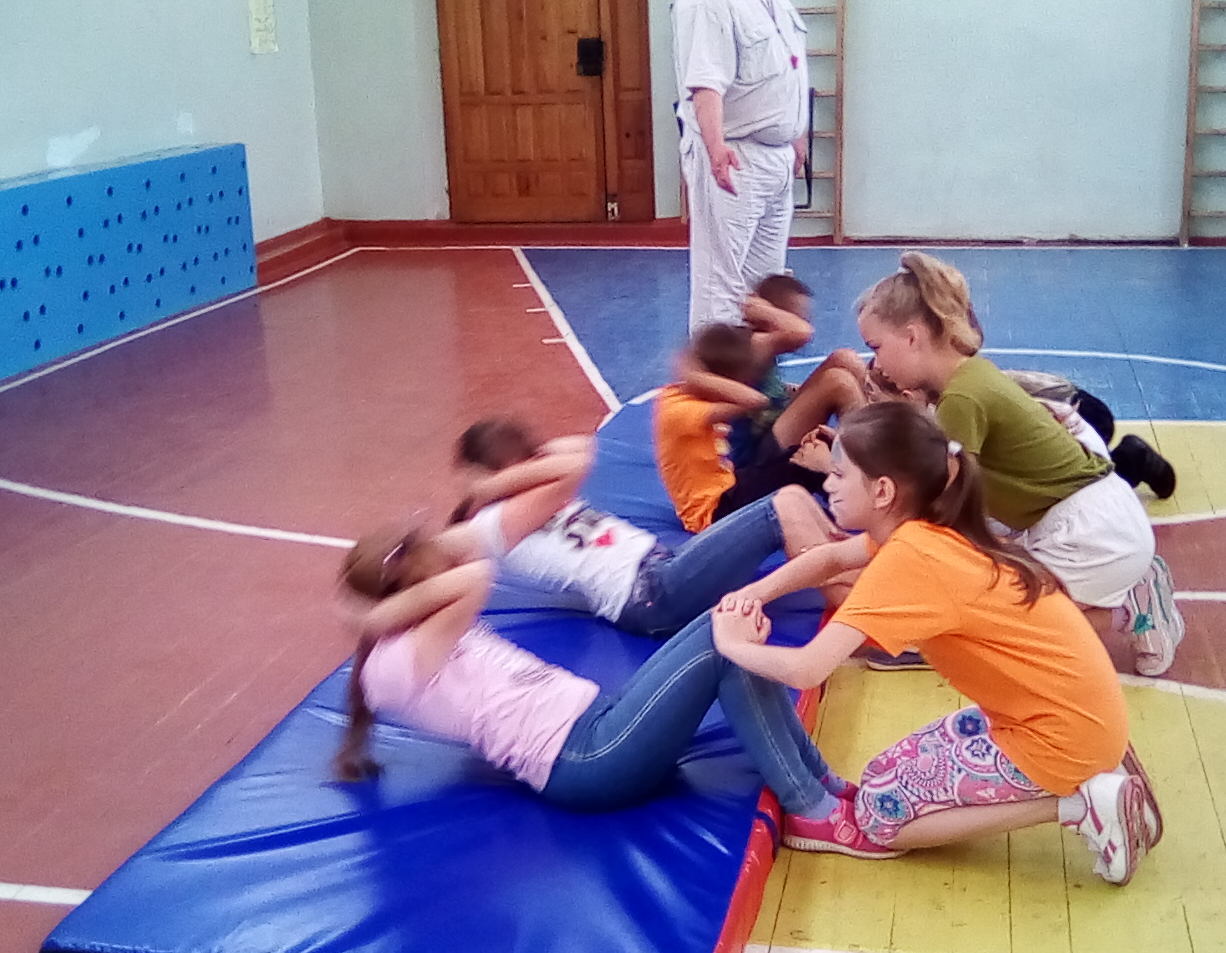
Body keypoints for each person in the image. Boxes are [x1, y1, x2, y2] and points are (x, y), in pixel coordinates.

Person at [711, 402, 1163, 883]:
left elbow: (808, 669)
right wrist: (752, 594)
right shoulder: (922, 528)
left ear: (883, 491)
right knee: (879, 777)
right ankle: (1100, 771)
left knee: (879, 817)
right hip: (1073, 713)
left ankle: (1080, 803)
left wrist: (733, 645)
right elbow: (830, 560)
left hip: (1060, 734)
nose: (827, 485)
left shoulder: (910, 558)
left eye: (839, 475)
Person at [334, 519, 851, 827]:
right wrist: (380, 615)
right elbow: (476, 574)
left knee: (727, 627)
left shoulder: (410, 632)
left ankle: (819, 779)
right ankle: (809, 807)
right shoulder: (399, 658)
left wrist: (389, 604)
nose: (442, 558)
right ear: (407, 590)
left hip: (599, 725)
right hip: (586, 761)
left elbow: (466, 552)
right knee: (726, 639)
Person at [855, 251, 1184, 676]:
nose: (877, 365)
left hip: (1090, 532)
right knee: (983, 579)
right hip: (1085, 519)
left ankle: (1134, 607)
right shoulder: (967, 379)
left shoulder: (961, 399)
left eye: (876, 348)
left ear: (913, 337)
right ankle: (1132, 581)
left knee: (1010, 631)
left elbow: (944, 508)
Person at [449, 417, 838, 638]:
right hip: (650, 596)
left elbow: (584, 447)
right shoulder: (493, 523)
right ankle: (857, 620)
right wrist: (491, 488)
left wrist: (518, 467)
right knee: (782, 507)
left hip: (665, 568)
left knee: (793, 497)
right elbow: (576, 464)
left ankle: (856, 578)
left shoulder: (531, 495)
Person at [672, 0, 810, 331]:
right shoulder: (709, 0)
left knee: (765, 287)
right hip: (735, 157)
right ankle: (713, 374)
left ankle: (757, 372)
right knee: (722, 285)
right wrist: (716, 150)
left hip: (777, 159)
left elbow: (789, 67)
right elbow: (705, 84)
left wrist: (797, 136)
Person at [655, 321, 862, 537]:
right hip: (715, 511)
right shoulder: (679, 409)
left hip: (732, 484)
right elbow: (755, 400)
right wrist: (695, 375)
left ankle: (855, 485)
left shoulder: (684, 396)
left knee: (813, 448)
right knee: (804, 468)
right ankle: (854, 498)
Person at [1004, 369, 1177, 500]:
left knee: (1070, 490)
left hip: (1081, 417)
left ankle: (1130, 461)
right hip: (1080, 409)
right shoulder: (992, 379)